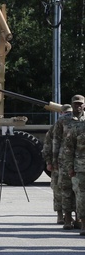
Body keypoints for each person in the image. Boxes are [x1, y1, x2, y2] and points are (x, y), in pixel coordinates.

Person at [48, 96, 84, 228]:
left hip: (81, 161)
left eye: (80, 104)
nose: (78, 106)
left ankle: (79, 218)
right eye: (75, 104)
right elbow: (55, 141)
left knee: (79, 192)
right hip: (64, 160)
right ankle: (67, 217)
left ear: (84, 105)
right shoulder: (63, 120)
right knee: (66, 189)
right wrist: (54, 160)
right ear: (72, 105)